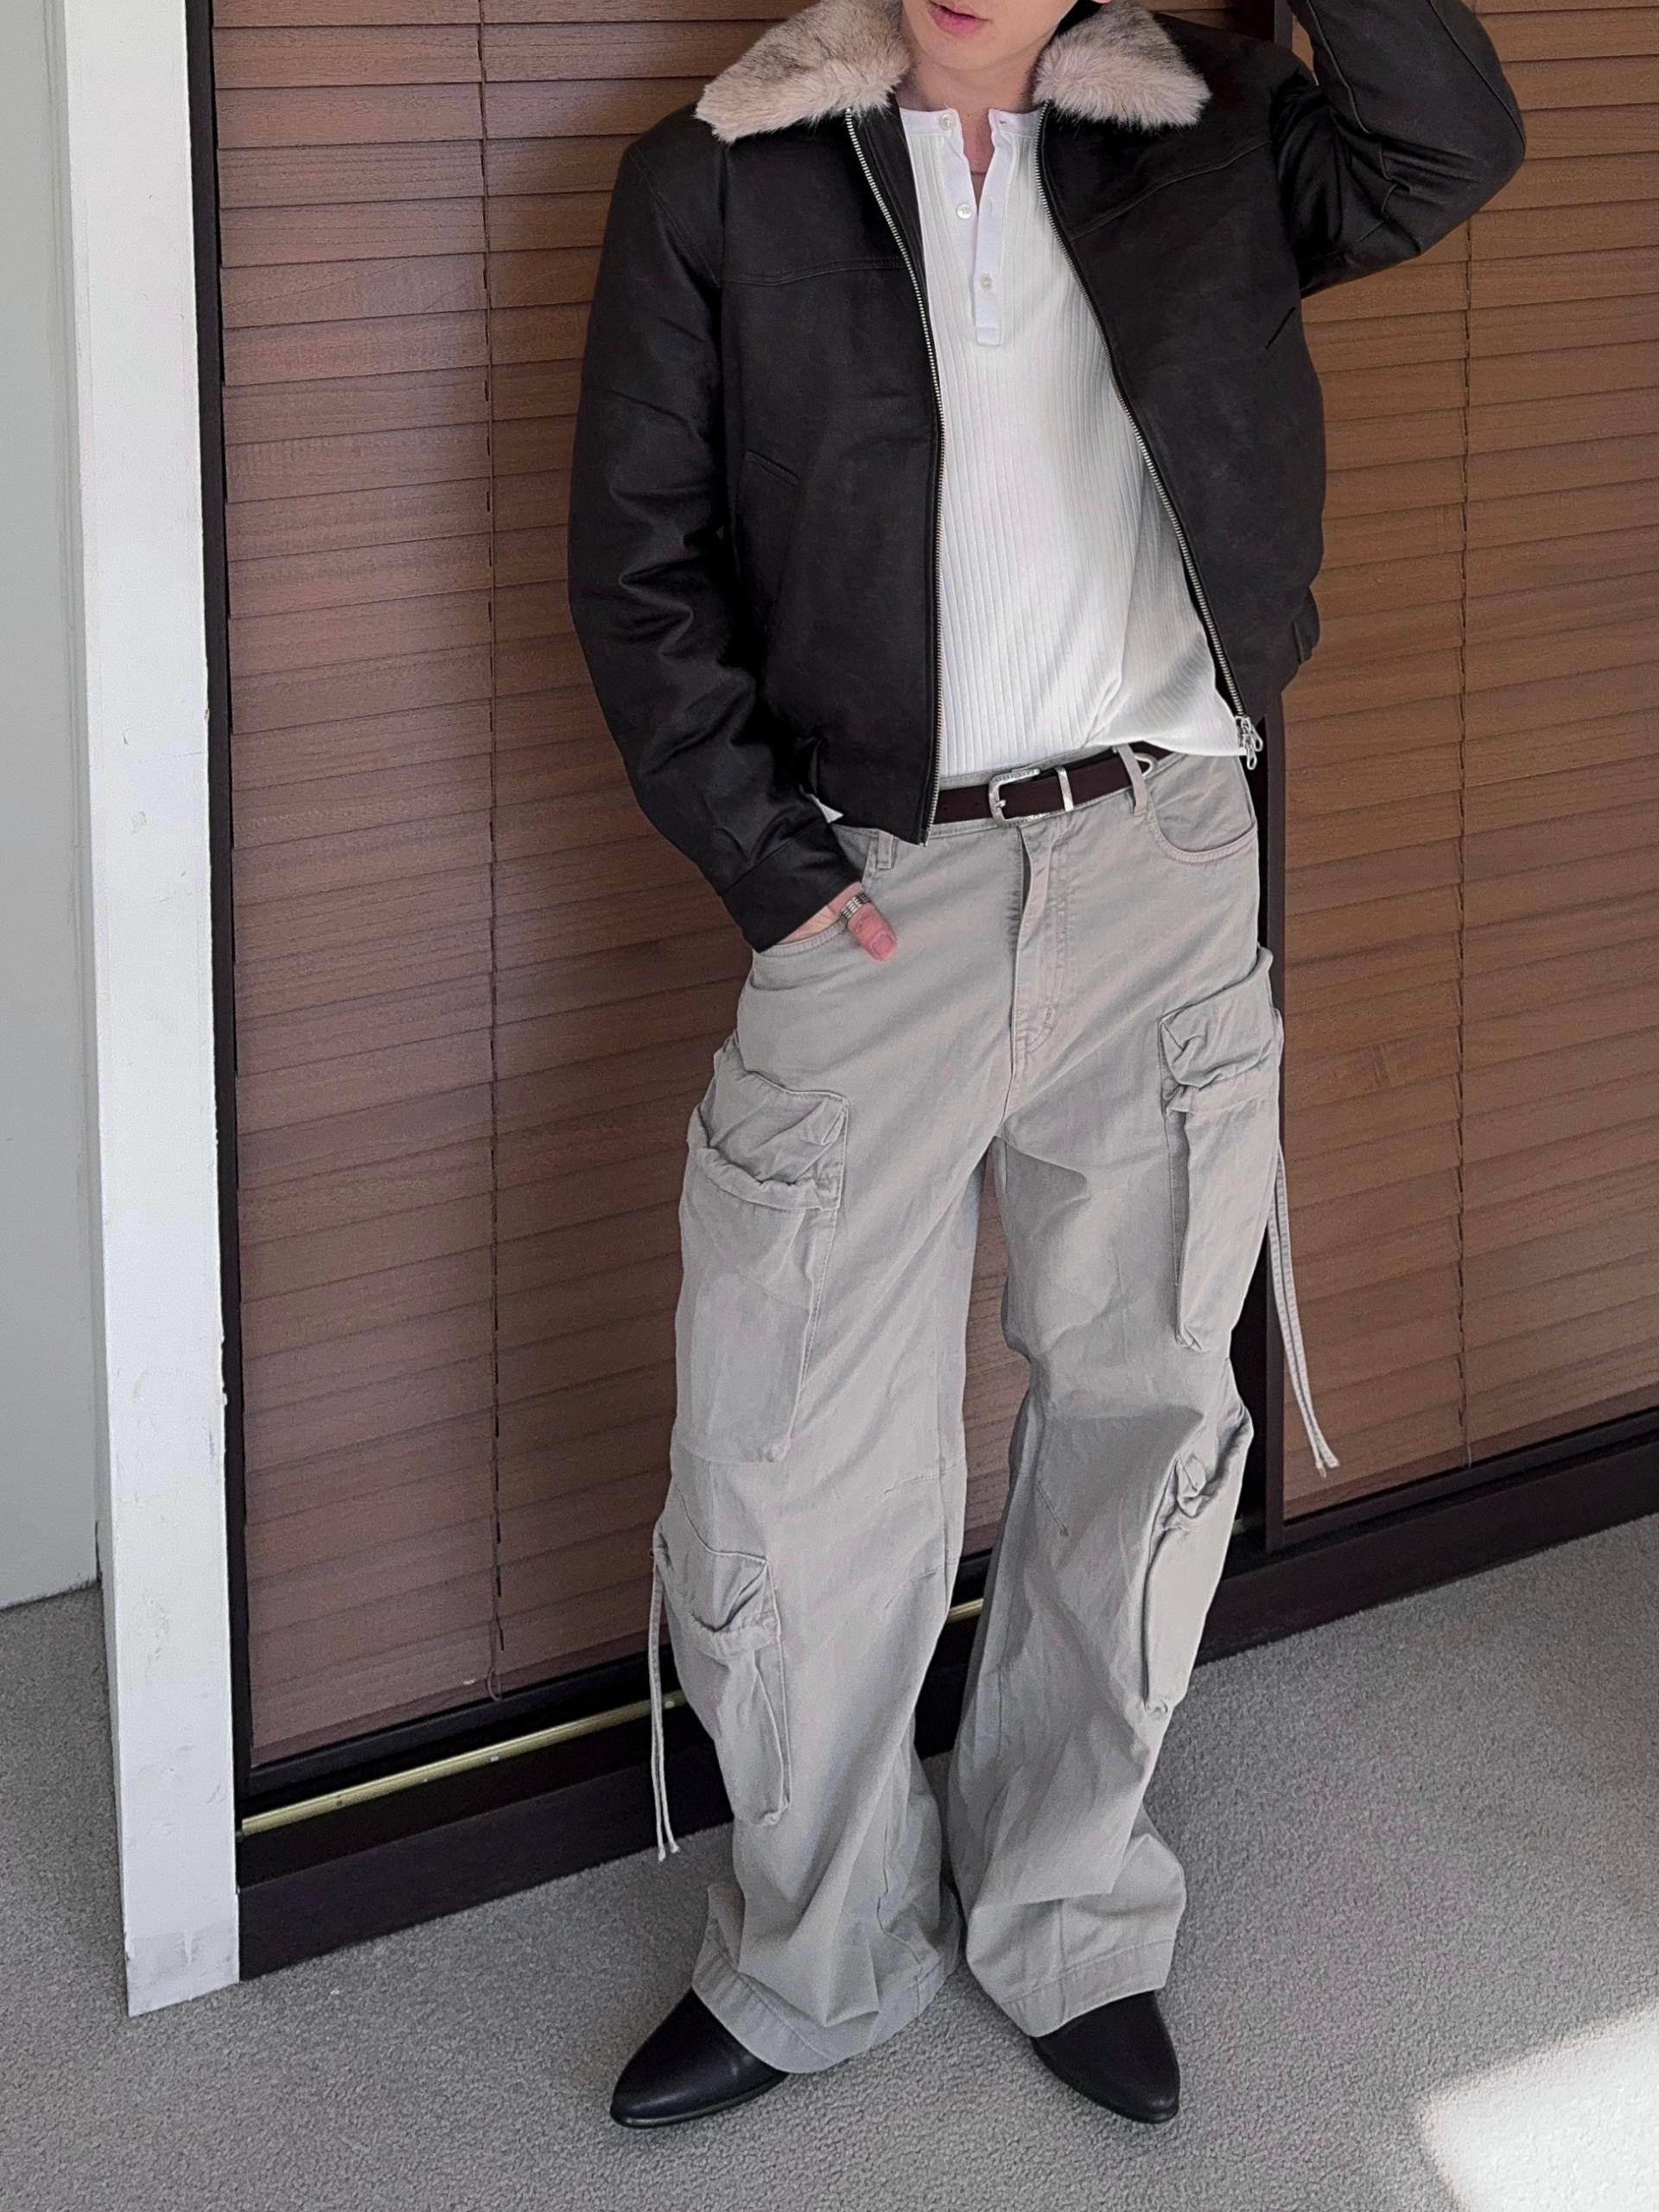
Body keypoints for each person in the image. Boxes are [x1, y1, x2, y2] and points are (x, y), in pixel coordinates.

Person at [568, 0, 1522, 2131]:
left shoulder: (1209, 135)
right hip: (869, 890)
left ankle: (1066, 1907)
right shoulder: (718, 176)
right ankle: (813, 1952)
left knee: (1146, 1404)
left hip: (1161, 856)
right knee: (792, 1446)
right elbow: (639, 567)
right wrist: (771, 868)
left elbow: (1446, 140)